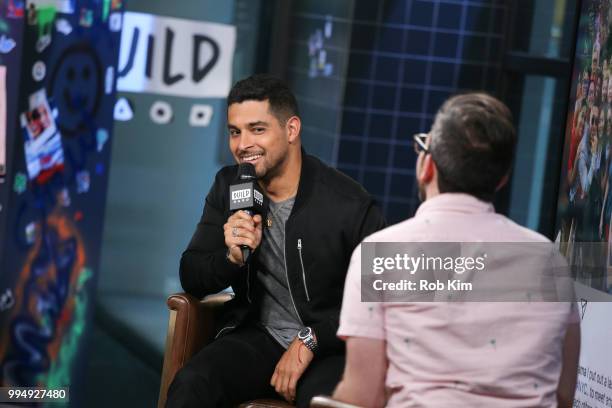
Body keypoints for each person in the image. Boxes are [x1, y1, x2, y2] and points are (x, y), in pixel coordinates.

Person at [332, 93, 581, 407]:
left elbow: (362, 395)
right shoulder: (550, 260)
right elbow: (563, 395)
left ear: (427, 166)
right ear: (503, 179)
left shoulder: (382, 255)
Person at [166, 74, 386, 408]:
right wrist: (230, 260)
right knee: (193, 383)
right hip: (258, 335)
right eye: (235, 132)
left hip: (327, 345)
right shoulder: (229, 186)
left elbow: (379, 301)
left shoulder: (348, 204)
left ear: (291, 130)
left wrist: (311, 339)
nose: (242, 145)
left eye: (257, 129)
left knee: (324, 401)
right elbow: (192, 275)